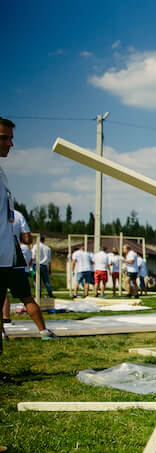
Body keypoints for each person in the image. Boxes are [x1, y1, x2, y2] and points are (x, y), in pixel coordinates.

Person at [0, 117, 56, 348]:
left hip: (7, 259)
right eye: (4, 138)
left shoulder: (1, 174)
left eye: (11, 139)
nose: (10, 144)